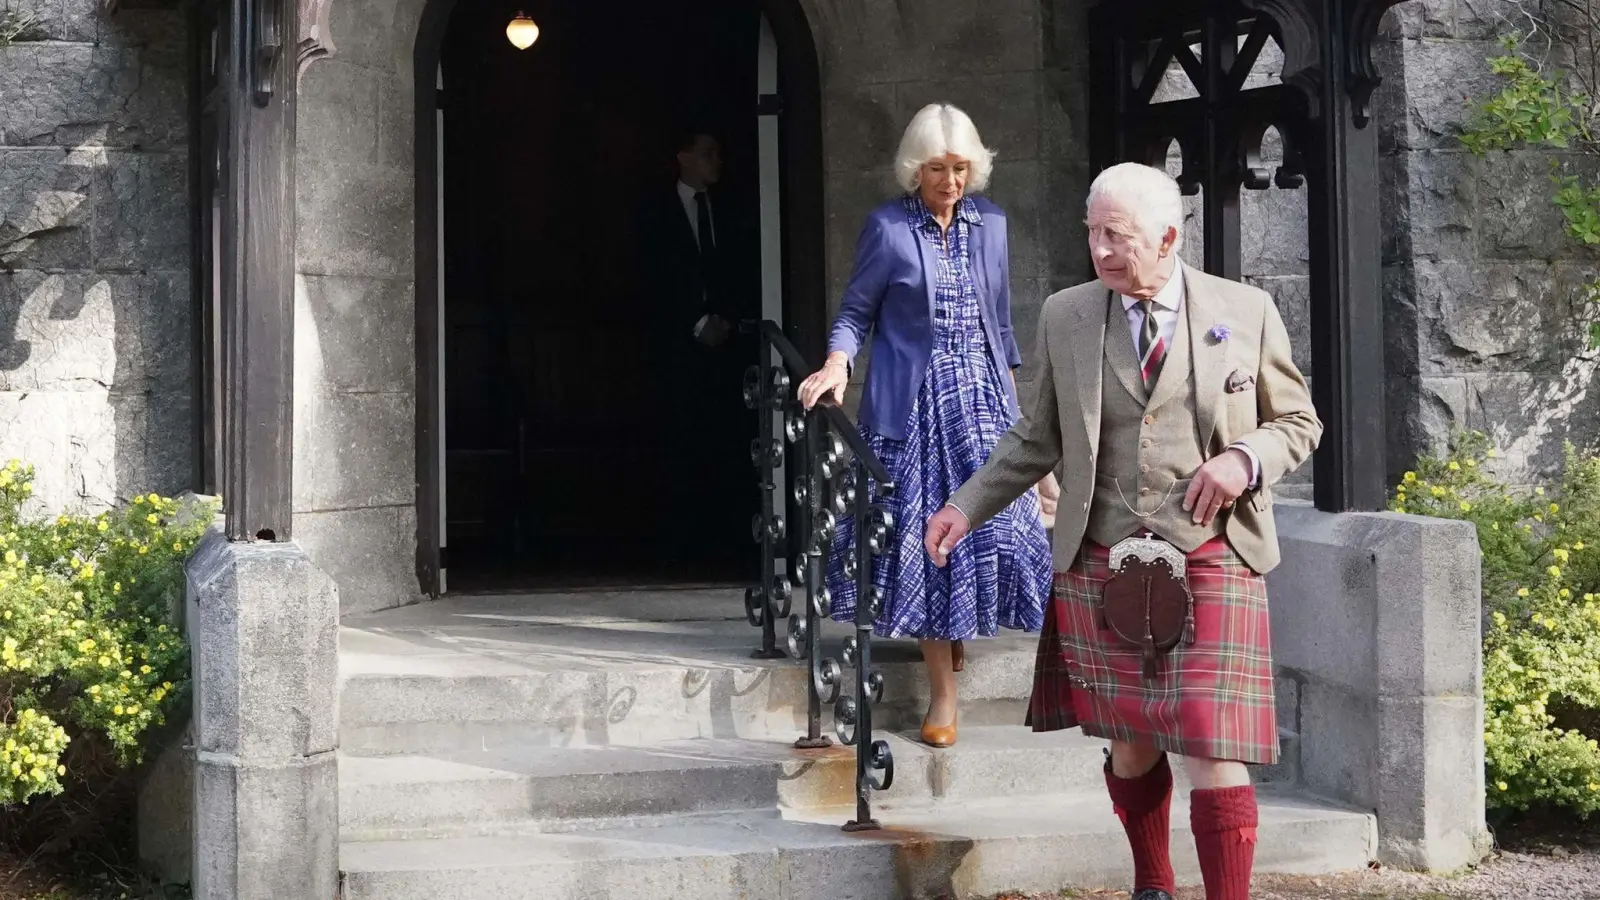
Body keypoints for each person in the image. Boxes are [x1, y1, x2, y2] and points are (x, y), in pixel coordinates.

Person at [924, 161, 1322, 900]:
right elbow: (1033, 439)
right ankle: (1153, 885)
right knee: (1131, 741)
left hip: (1213, 551)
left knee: (1213, 739)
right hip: (1101, 553)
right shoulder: (1067, 315)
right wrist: (963, 504)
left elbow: (1298, 422)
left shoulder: (1245, 309)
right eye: (1093, 233)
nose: (1102, 249)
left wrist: (1244, 458)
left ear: (1169, 237)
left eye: (1119, 235)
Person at [797, 103, 1057, 749]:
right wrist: (836, 363)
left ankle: (959, 636)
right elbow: (857, 311)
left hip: (983, 396)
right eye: (937, 168)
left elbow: (1000, 324)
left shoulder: (992, 224)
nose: (949, 180)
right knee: (928, 543)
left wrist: (1021, 408)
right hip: (914, 405)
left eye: (960, 168)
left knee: (1006, 532)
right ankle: (943, 695)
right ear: (916, 169)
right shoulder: (888, 229)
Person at [635, 127, 754, 574]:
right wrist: (695, 321)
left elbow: (741, 267)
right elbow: (651, 275)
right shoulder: (654, 212)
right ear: (683, 156)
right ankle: (679, 551)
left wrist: (725, 320)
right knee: (680, 446)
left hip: (727, 351)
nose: (716, 161)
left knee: (726, 445)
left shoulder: (729, 209)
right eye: (707, 153)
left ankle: (725, 548)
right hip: (674, 354)